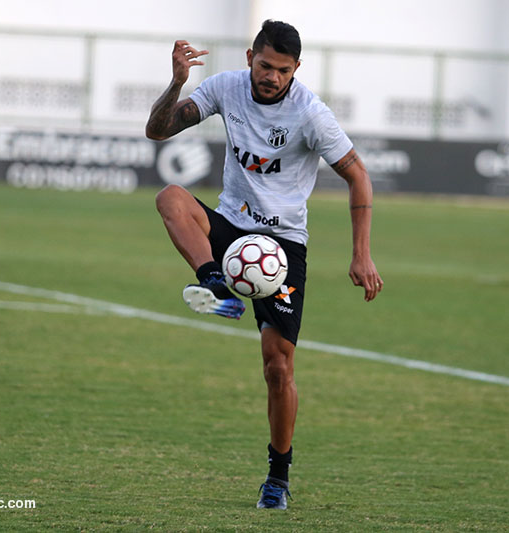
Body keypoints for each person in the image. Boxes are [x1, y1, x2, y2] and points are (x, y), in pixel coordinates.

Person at [145, 20, 383, 510]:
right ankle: (215, 282)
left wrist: (360, 253)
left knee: (278, 366)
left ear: (296, 69)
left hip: (283, 245)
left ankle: (278, 476)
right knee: (170, 197)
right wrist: (176, 84)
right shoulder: (228, 87)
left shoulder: (310, 114)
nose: (271, 77)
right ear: (250, 56)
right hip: (232, 228)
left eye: (282, 70)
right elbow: (157, 131)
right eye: (264, 65)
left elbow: (358, 175)